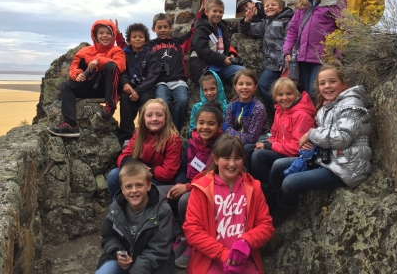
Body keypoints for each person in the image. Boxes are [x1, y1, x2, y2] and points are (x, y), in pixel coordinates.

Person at [267, 63, 372, 226]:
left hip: (346, 167)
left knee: (290, 182)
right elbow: (326, 138)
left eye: (332, 82)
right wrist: (311, 144)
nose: (327, 86)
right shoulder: (325, 108)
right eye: (322, 83)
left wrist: (311, 134)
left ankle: (280, 214)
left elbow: (343, 137)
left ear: (343, 84)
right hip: (328, 159)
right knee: (278, 165)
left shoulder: (352, 103)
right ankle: (267, 206)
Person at [183, 134, 274, 274]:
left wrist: (246, 241)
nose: (232, 164)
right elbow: (192, 230)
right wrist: (222, 254)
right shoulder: (201, 189)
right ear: (215, 159)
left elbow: (266, 225)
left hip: (245, 260)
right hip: (210, 260)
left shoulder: (254, 188)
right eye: (226, 158)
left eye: (237, 158)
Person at [164, 102, 224, 269]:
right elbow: (184, 168)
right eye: (201, 123)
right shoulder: (192, 141)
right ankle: (180, 234)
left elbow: (213, 176)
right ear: (196, 124)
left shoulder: (221, 146)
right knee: (158, 194)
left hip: (208, 190)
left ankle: (194, 242)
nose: (205, 127)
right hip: (188, 184)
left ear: (219, 126)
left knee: (185, 200)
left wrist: (188, 187)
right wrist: (179, 184)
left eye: (211, 124)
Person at [47, 19, 125, 137]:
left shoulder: (117, 51)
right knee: (66, 85)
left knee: (111, 65)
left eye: (108, 33)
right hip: (89, 85)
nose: (105, 36)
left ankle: (110, 106)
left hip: (108, 87)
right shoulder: (85, 51)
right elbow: (74, 66)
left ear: (113, 35)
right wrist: (78, 75)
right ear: (95, 35)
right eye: (101, 33)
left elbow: (120, 66)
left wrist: (99, 61)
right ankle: (71, 125)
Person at [95, 161, 174, 274]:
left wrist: (137, 270)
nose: (134, 190)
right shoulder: (115, 208)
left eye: (139, 185)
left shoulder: (163, 211)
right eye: (128, 186)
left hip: (153, 266)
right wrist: (117, 252)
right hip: (122, 263)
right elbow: (108, 236)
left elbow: (159, 249)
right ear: (122, 189)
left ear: (148, 185)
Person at [283, 0, 346, 102]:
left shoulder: (336, 1)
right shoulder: (303, 4)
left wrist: (337, 54)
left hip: (323, 57)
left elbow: (345, 30)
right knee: (304, 92)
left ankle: (321, 121)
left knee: (316, 92)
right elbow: (293, 29)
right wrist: (287, 51)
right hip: (302, 57)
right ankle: (309, 122)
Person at [246, 78, 316, 190]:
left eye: (289, 94)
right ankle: (248, 184)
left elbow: (297, 147)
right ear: (275, 97)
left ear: (296, 95)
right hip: (282, 149)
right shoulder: (280, 111)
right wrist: (266, 143)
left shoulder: (302, 115)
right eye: (280, 94)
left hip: (295, 155)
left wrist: (269, 146)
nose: (284, 98)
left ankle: (266, 191)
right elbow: (274, 135)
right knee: (249, 148)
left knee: (258, 156)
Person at [107, 98, 181, 202]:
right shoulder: (138, 134)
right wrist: (139, 168)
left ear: (166, 117)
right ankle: (116, 209)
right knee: (114, 175)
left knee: (140, 186)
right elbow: (122, 157)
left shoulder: (173, 139)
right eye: (149, 115)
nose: (154, 119)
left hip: (157, 180)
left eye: (159, 115)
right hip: (138, 173)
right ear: (143, 118)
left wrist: (145, 171)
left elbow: (168, 172)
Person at [239, 0, 294, 115]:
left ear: (280, 8)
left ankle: (291, 114)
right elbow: (247, 30)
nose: (269, 7)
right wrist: (247, 21)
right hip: (271, 63)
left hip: (285, 61)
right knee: (264, 84)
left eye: (273, 5)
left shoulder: (287, 21)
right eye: (267, 5)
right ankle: (278, 112)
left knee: (289, 88)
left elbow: (289, 41)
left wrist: (282, 60)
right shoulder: (265, 23)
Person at [117, 23, 159, 146]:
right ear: (129, 40)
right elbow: (121, 70)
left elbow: (153, 75)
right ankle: (126, 137)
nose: (137, 39)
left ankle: (145, 135)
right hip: (129, 87)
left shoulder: (151, 55)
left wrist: (139, 91)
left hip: (145, 88)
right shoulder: (124, 54)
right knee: (124, 99)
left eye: (140, 36)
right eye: (134, 37)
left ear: (145, 40)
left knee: (147, 104)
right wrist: (124, 84)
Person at [190, 0, 244, 84]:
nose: (218, 14)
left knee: (243, 74)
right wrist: (222, 59)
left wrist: (229, 56)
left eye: (220, 12)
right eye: (214, 11)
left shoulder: (221, 28)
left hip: (221, 66)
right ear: (206, 12)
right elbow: (202, 50)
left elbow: (221, 47)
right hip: (205, 68)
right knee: (213, 84)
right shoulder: (201, 29)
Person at [224, 69, 268, 145]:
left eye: (248, 84)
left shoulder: (258, 108)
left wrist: (228, 130)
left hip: (258, 142)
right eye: (240, 84)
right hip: (236, 140)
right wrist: (229, 132)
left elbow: (251, 139)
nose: (244, 87)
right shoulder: (232, 105)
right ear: (235, 86)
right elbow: (229, 127)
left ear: (255, 87)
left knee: (245, 148)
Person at [188, 70, 228, 137]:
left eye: (212, 89)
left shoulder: (227, 108)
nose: (209, 93)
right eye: (205, 90)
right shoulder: (197, 107)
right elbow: (192, 129)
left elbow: (229, 130)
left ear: (219, 88)